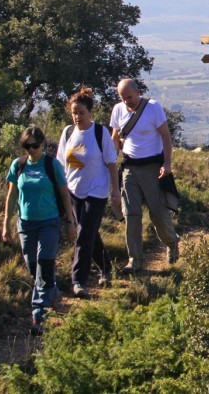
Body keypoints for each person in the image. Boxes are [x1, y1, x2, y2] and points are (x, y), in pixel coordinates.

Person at [2, 126, 77, 335]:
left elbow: (64, 194)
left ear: (42, 144)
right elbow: (12, 195)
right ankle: (52, 292)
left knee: (44, 263)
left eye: (34, 146)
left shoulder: (51, 165)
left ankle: (38, 314)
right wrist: (6, 224)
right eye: (26, 146)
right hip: (26, 223)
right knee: (32, 265)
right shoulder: (18, 165)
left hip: (49, 222)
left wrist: (70, 222)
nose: (31, 149)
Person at [110, 78, 179, 273]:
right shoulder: (118, 110)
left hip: (152, 167)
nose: (126, 102)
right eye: (123, 98)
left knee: (157, 213)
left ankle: (172, 242)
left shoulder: (153, 108)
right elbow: (115, 137)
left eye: (129, 97)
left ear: (138, 91)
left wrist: (167, 163)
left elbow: (165, 136)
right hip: (130, 167)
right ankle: (135, 260)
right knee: (131, 214)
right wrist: (110, 161)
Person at [56, 87, 119, 297]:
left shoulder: (100, 133)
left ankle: (78, 281)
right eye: (74, 112)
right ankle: (106, 268)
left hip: (96, 192)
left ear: (90, 112)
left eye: (81, 112)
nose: (77, 117)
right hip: (74, 192)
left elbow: (112, 163)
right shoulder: (67, 133)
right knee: (90, 233)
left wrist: (115, 192)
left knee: (83, 235)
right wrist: (60, 191)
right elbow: (61, 165)